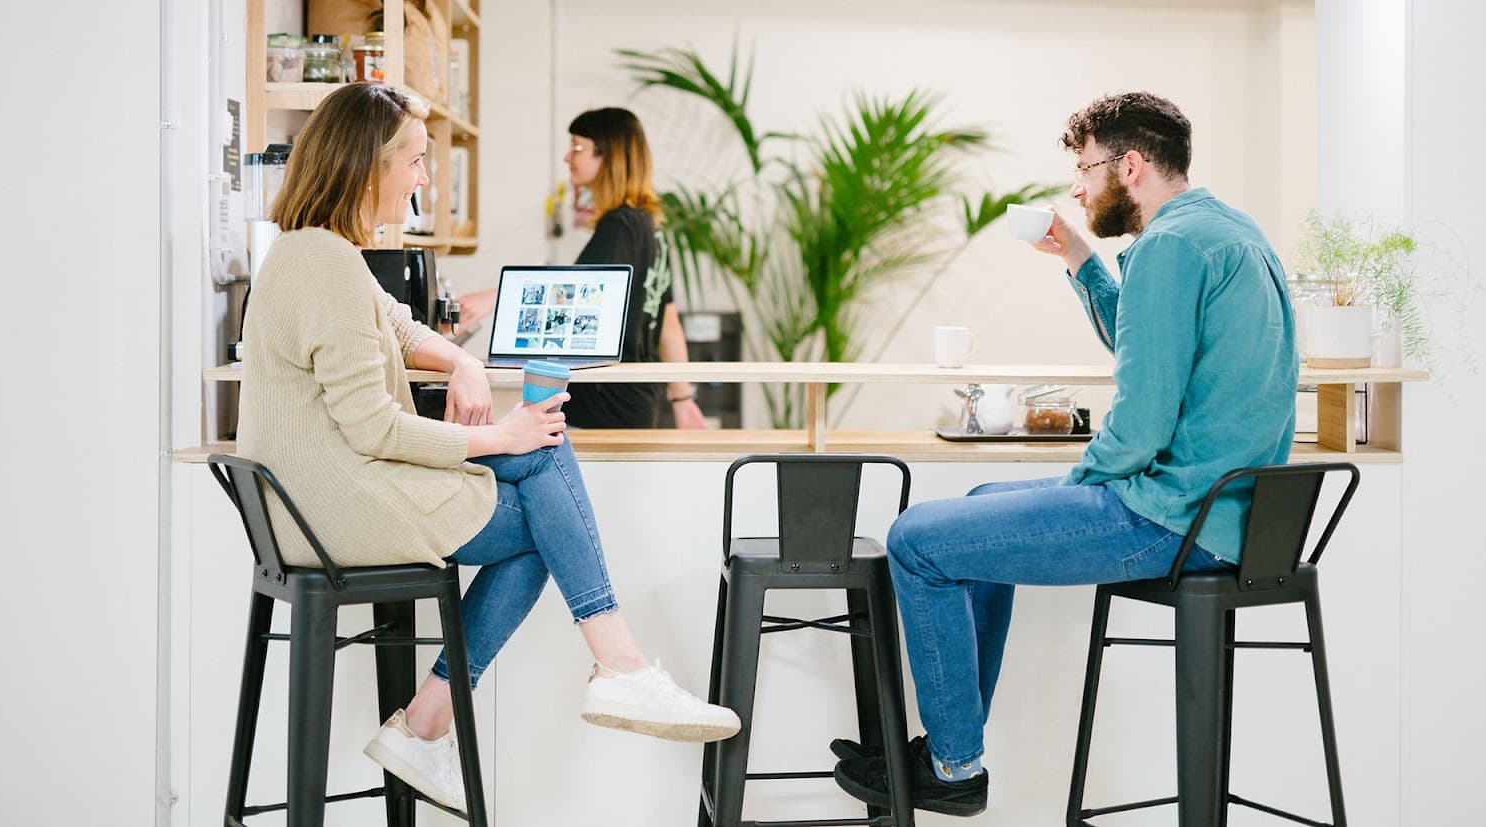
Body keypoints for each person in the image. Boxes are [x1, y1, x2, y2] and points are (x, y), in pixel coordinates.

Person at [236, 83, 738, 814]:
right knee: (540, 475)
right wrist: (499, 434)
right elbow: (374, 428)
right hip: (337, 503)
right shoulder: (326, 264)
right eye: (414, 159)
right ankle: (607, 665)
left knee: (540, 486)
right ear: (365, 165)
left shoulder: (316, 253)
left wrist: (466, 362)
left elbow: (403, 328)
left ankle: (443, 717)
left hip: (325, 495)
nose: (421, 177)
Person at [831, 92, 1297, 817]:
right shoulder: (1231, 232)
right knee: (988, 505)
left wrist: (1081, 486)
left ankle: (955, 764)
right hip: (1228, 514)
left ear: (1131, 165)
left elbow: (1140, 427)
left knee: (915, 539)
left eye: (1085, 169)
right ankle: (956, 748)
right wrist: (1082, 258)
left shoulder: (1169, 247)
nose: (1077, 189)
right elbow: (1157, 346)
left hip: (1173, 520)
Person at [457, 106, 708, 430]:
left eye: (578, 147)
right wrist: (682, 400)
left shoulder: (620, 224)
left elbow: (572, 292)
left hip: (606, 401)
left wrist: (493, 299)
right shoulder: (650, 225)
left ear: (609, 156)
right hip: (639, 398)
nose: (567, 158)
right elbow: (669, 323)